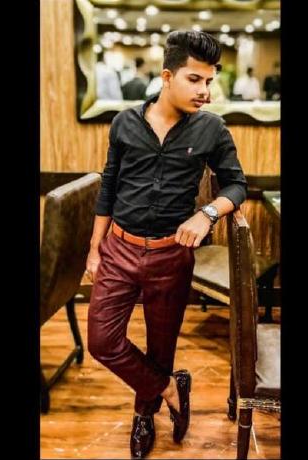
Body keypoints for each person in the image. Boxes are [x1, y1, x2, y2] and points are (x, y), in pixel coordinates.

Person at [86, 30, 247, 458]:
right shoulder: (124, 123)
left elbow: (236, 186)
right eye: (195, 79)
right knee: (102, 342)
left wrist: (206, 213)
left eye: (209, 81)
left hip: (171, 256)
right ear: (167, 76)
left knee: (162, 347)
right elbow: (108, 188)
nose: (205, 91)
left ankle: (144, 414)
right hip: (119, 249)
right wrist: (94, 248)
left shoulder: (212, 129)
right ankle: (169, 388)